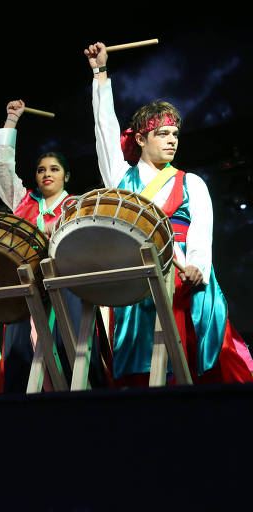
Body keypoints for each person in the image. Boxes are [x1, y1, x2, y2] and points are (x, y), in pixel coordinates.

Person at [85, 41, 253, 385]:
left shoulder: (192, 182)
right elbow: (104, 129)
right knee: (144, 372)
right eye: (162, 134)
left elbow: (201, 234)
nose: (171, 140)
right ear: (141, 140)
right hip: (139, 280)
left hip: (185, 282)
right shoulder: (121, 178)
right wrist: (100, 74)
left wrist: (196, 267)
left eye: (175, 134)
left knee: (195, 369)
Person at [0, 100, 112, 392]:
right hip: (27, 290)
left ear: (66, 176)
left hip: (68, 287)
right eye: (41, 169)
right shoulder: (23, 203)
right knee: (20, 352)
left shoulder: (79, 206)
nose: (47, 174)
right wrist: (11, 120)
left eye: (54, 169)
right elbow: (1, 167)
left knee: (70, 347)